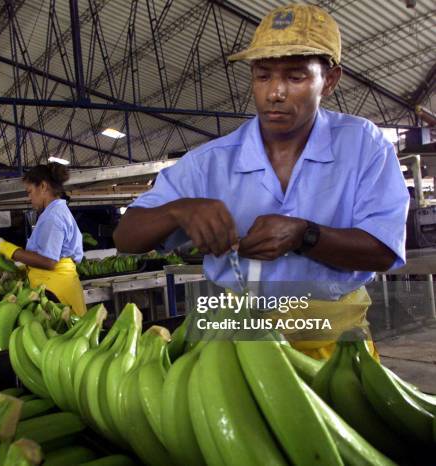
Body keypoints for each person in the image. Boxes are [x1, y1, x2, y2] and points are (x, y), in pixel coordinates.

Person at [113, 4, 409, 359]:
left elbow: (383, 249)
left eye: (296, 77)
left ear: (329, 80)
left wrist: (305, 235)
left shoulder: (363, 145)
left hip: (337, 350)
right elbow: (126, 236)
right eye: (262, 76)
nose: (275, 93)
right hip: (239, 350)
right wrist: (178, 211)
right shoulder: (210, 163)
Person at [0, 163, 87, 316]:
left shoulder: (53, 217)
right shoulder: (53, 213)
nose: (29, 197)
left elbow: (49, 261)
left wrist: (6, 248)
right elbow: (46, 256)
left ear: (43, 186)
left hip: (57, 294)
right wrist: (20, 271)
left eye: (30, 191)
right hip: (55, 286)